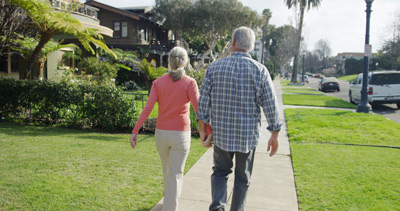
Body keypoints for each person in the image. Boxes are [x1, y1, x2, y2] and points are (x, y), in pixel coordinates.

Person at [197, 26, 282, 211]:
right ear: (250, 46)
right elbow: (271, 105)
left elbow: (203, 102)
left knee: (220, 172)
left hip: (222, 135)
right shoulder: (260, 71)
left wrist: (202, 129)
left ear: (233, 42)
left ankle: (218, 207)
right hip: (247, 137)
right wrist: (275, 133)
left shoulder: (214, 68)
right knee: (242, 180)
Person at [130, 47, 201, 211]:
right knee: (176, 173)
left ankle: (168, 201)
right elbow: (199, 111)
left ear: (169, 62)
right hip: (181, 135)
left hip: (161, 135)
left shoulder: (158, 83)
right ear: (186, 62)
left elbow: (147, 108)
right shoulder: (190, 83)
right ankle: (170, 208)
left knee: (168, 170)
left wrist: (135, 131)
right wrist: (209, 132)